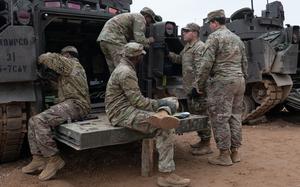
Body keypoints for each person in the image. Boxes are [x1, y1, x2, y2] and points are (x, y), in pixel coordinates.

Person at [105, 42, 191, 187]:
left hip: (123, 109)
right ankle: (166, 175)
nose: (142, 58)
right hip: (121, 113)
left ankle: (165, 112)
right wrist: (161, 104)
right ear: (137, 57)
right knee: (165, 127)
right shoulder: (126, 72)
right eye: (141, 56)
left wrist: (161, 103)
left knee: (166, 108)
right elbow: (138, 101)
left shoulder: (124, 68)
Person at [22, 46, 91, 180]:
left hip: (77, 105)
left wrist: (40, 58)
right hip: (72, 104)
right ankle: (38, 159)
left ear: (67, 55)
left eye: (63, 55)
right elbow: (60, 87)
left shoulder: (71, 63)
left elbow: (49, 58)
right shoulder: (72, 70)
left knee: (39, 120)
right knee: (32, 120)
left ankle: (54, 159)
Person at [194, 9, 248, 166]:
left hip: (222, 83)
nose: (209, 27)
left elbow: (205, 64)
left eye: (210, 23)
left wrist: (199, 84)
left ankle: (224, 155)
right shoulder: (237, 38)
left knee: (220, 118)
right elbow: (244, 62)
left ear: (214, 22)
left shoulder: (214, 37)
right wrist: (243, 77)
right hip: (239, 81)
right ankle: (235, 153)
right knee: (235, 116)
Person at [168, 23, 213, 156]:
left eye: (186, 31)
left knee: (202, 116)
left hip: (198, 90)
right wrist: (168, 53)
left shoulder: (200, 47)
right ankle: (202, 140)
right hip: (190, 89)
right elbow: (179, 59)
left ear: (194, 33)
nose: (184, 33)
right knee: (196, 114)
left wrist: (197, 87)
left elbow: (202, 69)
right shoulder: (188, 47)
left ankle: (206, 144)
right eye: (184, 31)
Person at [97, 7, 157, 73]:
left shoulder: (132, 16)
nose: (150, 23)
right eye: (150, 20)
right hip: (115, 39)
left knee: (114, 70)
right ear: (146, 16)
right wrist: (149, 40)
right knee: (123, 68)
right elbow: (139, 40)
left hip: (104, 40)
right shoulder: (140, 18)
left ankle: (116, 83)